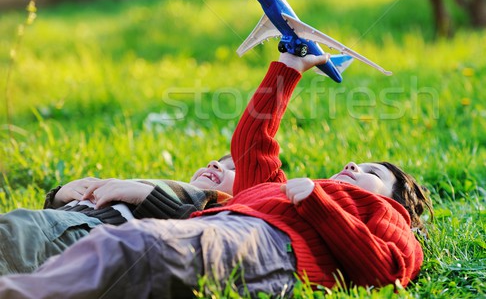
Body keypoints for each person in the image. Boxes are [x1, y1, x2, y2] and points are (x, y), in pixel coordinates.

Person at [0, 52, 432, 298]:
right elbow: (251, 143)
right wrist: (288, 67)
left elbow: (387, 270)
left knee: (138, 248)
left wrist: (319, 205)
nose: (354, 166)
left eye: (372, 171)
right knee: (117, 247)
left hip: (268, 249)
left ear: (397, 201)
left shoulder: (384, 214)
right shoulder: (277, 190)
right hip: (221, 229)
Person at [0, 155, 234, 276]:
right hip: (62, 221)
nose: (214, 164)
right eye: (217, 161)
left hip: (88, 234)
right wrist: (61, 196)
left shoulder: (213, 207)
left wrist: (148, 197)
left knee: (13, 235)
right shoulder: (178, 186)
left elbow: (192, 232)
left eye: (233, 168)